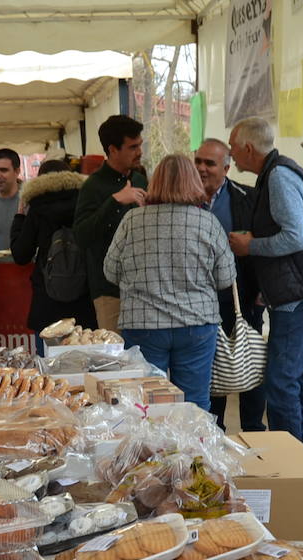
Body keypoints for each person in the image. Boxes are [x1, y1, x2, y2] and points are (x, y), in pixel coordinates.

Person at [228, 116, 303, 450]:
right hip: (299, 291)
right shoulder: (275, 173)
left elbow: (297, 237)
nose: (232, 154)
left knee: (280, 381)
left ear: (249, 148)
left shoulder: (278, 177)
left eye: (233, 148)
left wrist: (251, 246)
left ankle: (290, 458)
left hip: (300, 297)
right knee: (301, 375)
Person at [103, 153, 233, 410]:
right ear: (193, 181)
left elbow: (110, 271)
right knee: (195, 403)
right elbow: (226, 277)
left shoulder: (132, 220)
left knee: (146, 404)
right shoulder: (208, 222)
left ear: (156, 182)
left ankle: (152, 439)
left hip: (143, 323)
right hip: (197, 324)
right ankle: (195, 438)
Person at [196, 138, 265, 431]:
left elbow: (262, 243)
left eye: (209, 163)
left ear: (226, 168)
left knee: (249, 363)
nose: (201, 168)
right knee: (211, 370)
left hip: (243, 297)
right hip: (199, 303)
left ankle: (254, 431)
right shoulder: (182, 198)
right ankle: (216, 432)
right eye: (197, 161)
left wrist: (262, 290)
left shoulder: (248, 197)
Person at [74, 114, 148, 331]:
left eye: (140, 145)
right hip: (110, 291)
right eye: (133, 147)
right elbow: (81, 236)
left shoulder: (140, 180)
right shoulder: (92, 186)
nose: (139, 152)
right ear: (113, 150)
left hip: (144, 289)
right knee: (116, 351)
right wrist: (115, 201)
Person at [10, 158, 96, 337]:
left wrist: (20, 216)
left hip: (47, 303)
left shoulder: (37, 207)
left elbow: (21, 254)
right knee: (84, 352)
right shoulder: (86, 202)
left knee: (48, 353)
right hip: (83, 301)